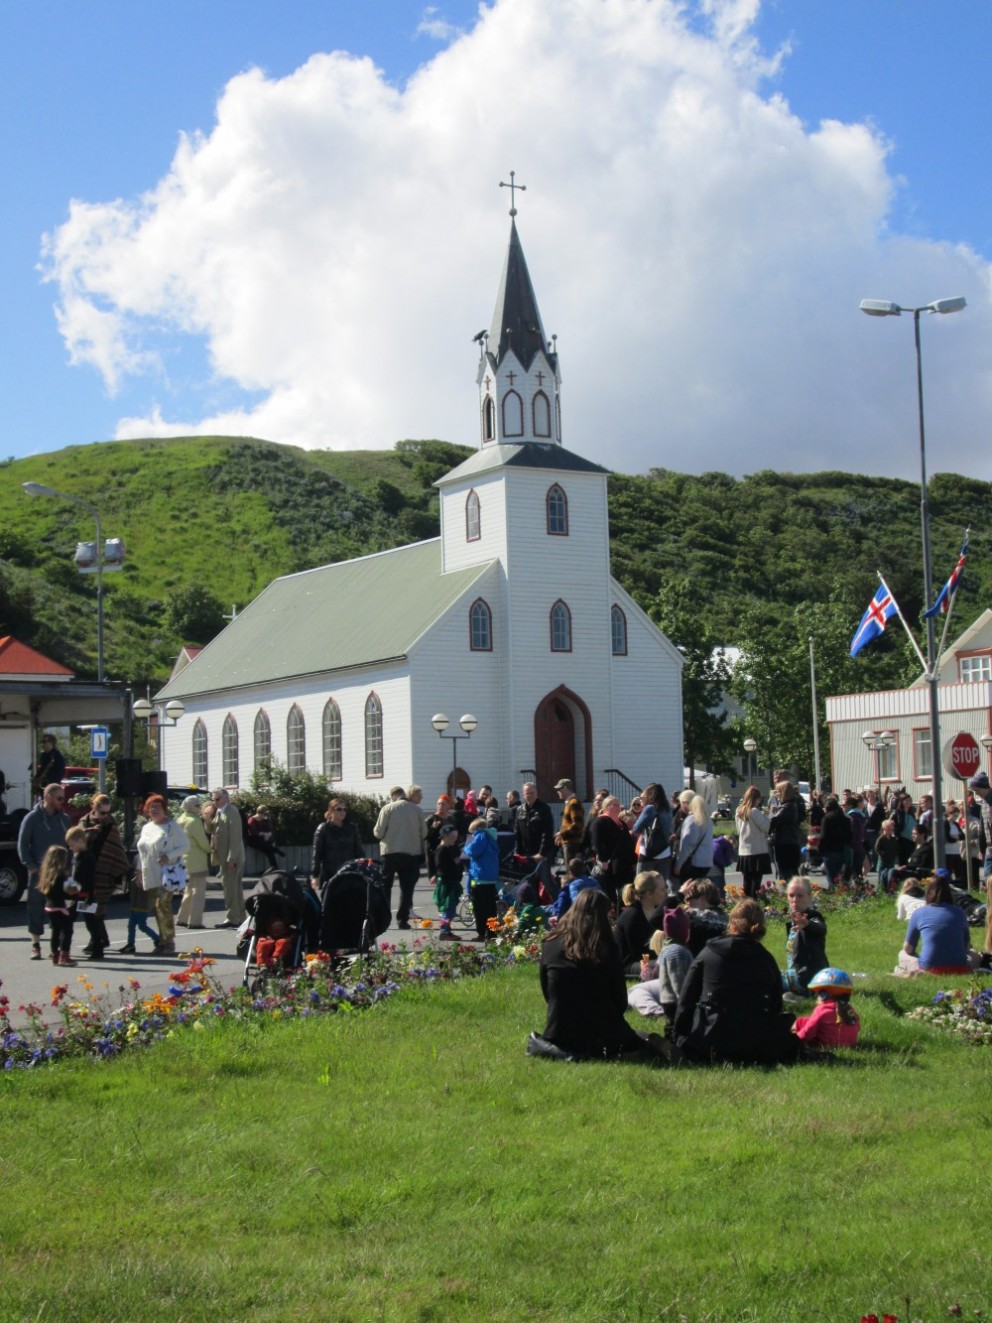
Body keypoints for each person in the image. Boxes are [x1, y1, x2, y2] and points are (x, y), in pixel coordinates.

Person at [531, 888, 666, 1061]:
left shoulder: (550, 944)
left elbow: (547, 992)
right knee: (645, 1043)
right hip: (602, 1033)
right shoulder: (606, 948)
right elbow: (620, 1002)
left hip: (558, 1032)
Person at [673, 899, 800, 1065]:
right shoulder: (766, 959)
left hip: (712, 1037)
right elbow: (776, 1004)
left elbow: (686, 998)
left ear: (731, 923)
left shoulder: (708, 953)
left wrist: (679, 1035)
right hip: (757, 1042)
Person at [17, 782, 70, 960]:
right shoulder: (32, 818)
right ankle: (35, 945)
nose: (63, 801)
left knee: (60, 909)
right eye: (59, 798)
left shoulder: (65, 819)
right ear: (48, 797)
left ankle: (58, 947)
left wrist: (69, 867)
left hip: (60, 873)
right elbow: (22, 844)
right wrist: (31, 866)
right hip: (39, 872)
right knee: (35, 907)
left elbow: (70, 844)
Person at [135, 795, 190, 957]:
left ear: (164, 809)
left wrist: (169, 856)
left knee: (162, 905)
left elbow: (185, 846)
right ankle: (162, 939)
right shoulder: (147, 828)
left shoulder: (172, 827)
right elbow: (141, 851)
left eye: (157, 807)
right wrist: (138, 870)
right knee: (156, 908)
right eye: (151, 807)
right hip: (149, 872)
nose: (154, 810)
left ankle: (168, 940)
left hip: (166, 873)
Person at [76, 793, 130, 957]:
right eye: (102, 812)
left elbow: (116, 850)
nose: (105, 816)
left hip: (103, 873)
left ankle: (97, 942)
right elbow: (75, 841)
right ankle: (99, 939)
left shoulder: (110, 826)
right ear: (94, 807)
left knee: (97, 911)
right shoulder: (83, 822)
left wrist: (118, 871)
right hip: (85, 872)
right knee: (86, 909)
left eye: (107, 812)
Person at [897, 872, 980, 975]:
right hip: (959, 967)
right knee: (975, 955)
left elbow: (908, 948)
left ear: (927, 893)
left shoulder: (918, 913)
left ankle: (909, 970)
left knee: (902, 954)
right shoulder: (960, 913)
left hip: (929, 968)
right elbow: (966, 946)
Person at [627, 905, 694, 1022]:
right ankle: (657, 1014)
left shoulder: (669, 950)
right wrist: (684, 1002)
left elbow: (655, 975)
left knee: (634, 994)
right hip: (670, 998)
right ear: (685, 931)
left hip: (662, 994)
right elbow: (677, 980)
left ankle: (658, 1013)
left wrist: (645, 972)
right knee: (636, 994)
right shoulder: (676, 951)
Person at [373, 786, 427, 930]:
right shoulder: (417, 810)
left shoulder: (387, 808)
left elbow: (378, 832)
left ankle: (384, 918)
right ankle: (402, 920)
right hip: (411, 854)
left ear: (392, 796)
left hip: (390, 853)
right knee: (407, 888)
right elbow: (424, 833)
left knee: (386, 886)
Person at [793, 968, 861, 1050]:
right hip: (850, 1045)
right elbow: (857, 1027)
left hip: (826, 1045)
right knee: (804, 1021)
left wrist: (794, 1041)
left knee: (800, 1022)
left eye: (818, 994)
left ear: (824, 995)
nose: (817, 997)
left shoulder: (821, 1010)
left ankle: (790, 1035)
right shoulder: (849, 1008)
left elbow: (808, 1033)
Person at [782, 877, 828, 996]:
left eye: (800, 896)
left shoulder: (814, 917)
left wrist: (807, 925)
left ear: (809, 897)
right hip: (794, 976)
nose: (795, 900)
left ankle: (800, 996)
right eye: (791, 895)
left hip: (809, 980)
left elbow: (820, 929)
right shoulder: (793, 921)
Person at [614, 871, 665, 976]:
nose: (665, 892)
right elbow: (639, 954)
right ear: (649, 894)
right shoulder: (632, 916)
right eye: (662, 889)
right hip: (630, 965)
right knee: (665, 964)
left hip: (648, 960)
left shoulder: (657, 911)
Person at [211, 788, 247, 929]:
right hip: (224, 856)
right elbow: (212, 831)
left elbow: (236, 837)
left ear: (226, 798)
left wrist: (231, 858)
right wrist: (208, 818)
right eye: (213, 799)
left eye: (217, 799)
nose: (215, 802)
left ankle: (232, 917)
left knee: (230, 887)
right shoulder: (220, 812)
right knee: (234, 887)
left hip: (232, 857)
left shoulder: (231, 812)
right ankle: (240, 916)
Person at [311, 798, 364, 893]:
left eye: (345, 809)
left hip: (349, 873)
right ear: (331, 811)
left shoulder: (352, 828)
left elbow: (359, 852)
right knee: (330, 904)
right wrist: (315, 876)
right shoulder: (323, 829)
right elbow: (317, 854)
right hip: (330, 874)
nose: (342, 812)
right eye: (339, 809)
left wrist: (363, 869)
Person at [589, 795, 635, 903]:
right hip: (611, 863)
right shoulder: (599, 822)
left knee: (626, 888)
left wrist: (633, 859)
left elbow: (628, 841)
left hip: (625, 862)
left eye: (619, 804)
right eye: (615, 804)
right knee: (612, 890)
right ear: (606, 807)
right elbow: (597, 842)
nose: (619, 806)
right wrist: (603, 859)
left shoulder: (621, 823)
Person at [176, 795, 213, 929]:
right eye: (197, 806)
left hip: (184, 859)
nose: (199, 808)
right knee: (198, 892)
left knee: (188, 890)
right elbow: (202, 842)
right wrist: (210, 848)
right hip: (197, 859)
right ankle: (195, 921)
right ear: (191, 807)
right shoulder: (194, 821)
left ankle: (182, 917)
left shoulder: (180, 819)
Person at [37, 844, 76, 966]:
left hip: (49, 906)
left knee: (55, 931)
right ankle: (64, 955)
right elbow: (65, 892)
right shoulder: (61, 876)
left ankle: (55, 955)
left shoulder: (47, 875)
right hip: (60, 907)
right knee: (67, 931)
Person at [64, 824, 100, 958]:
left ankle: (97, 949)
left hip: (84, 895)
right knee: (71, 920)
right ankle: (64, 947)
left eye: (71, 844)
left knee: (90, 922)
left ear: (80, 841)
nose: (70, 848)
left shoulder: (87, 857)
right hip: (78, 895)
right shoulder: (78, 856)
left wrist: (89, 895)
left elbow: (88, 878)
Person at [515, 782, 556, 896]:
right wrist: (518, 853)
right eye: (527, 793)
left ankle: (560, 907)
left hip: (542, 853)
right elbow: (517, 832)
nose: (530, 795)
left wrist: (541, 853)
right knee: (530, 884)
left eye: (532, 793)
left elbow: (547, 833)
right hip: (527, 853)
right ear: (523, 795)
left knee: (547, 882)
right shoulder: (520, 809)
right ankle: (535, 910)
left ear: (536, 793)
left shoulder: (544, 809)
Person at [463, 817, 500, 941]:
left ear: (476, 828)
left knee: (479, 909)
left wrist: (466, 848)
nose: (472, 835)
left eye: (472, 832)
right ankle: (492, 933)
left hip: (480, 878)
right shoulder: (492, 838)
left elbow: (473, 851)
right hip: (491, 879)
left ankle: (481, 933)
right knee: (491, 909)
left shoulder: (481, 836)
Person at [631, 782, 674, 882]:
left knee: (641, 883)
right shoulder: (667, 809)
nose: (642, 799)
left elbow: (636, 828)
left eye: (644, 796)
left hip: (648, 851)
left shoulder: (650, 808)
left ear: (651, 795)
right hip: (664, 851)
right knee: (661, 885)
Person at [735, 786, 770, 899]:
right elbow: (766, 827)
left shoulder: (739, 811)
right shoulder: (754, 811)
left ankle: (746, 903)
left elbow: (738, 830)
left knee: (747, 880)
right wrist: (768, 816)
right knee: (756, 881)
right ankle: (754, 904)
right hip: (757, 850)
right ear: (757, 799)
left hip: (744, 851)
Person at [547, 856, 604, 922]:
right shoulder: (593, 880)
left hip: (583, 919)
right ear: (584, 869)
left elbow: (577, 904)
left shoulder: (573, 885)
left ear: (570, 872)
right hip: (599, 914)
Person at [432, 822, 464, 940]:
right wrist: (454, 863)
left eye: (455, 837)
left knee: (451, 907)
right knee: (448, 908)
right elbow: (440, 865)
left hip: (452, 880)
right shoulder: (442, 849)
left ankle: (447, 930)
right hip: (446, 882)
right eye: (452, 837)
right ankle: (444, 931)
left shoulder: (451, 848)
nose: (454, 839)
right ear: (444, 836)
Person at [680, 877, 728, 956]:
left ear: (702, 899)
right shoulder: (727, 918)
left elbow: (656, 920)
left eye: (688, 898)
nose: (686, 902)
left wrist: (679, 895)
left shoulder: (693, 919)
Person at [768, 780, 803, 879]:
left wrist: (771, 814)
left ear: (784, 792)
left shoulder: (786, 808)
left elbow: (772, 822)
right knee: (790, 873)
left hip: (784, 845)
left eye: (778, 791)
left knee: (784, 875)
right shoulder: (792, 805)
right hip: (791, 843)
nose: (777, 794)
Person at [673, 794, 713, 884]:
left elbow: (687, 845)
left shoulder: (691, 820)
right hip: (707, 862)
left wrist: (678, 866)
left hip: (694, 863)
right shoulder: (708, 820)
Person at [818, 796, 852, 888]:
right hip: (841, 851)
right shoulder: (845, 819)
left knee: (831, 878)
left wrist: (819, 849)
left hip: (829, 851)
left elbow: (823, 836)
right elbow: (849, 836)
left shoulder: (826, 818)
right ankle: (839, 895)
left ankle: (833, 896)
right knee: (837, 877)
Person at [553, 778, 585, 865]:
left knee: (571, 871)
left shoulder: (573, 803)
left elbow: (578, 824)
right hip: (569, 843)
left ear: (566, 789)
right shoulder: (569, 803)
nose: (558, 791)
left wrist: (561, 833)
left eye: (559, 789)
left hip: (572, 844)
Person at [246, 804, 282, 871]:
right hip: (254, 840)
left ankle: (274, 866)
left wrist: (269, 835)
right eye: (264, 814)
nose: (265, 816)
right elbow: (252, 832)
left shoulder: (265, 820)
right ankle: (275, 864)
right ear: (259, 813)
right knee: (269, 848)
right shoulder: (252, 820)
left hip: (264, 840)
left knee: (269, 848)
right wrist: (263, 834)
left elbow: (271, 829)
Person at [32, 734, 66, 798]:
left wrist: (50, 782)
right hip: (43, 785)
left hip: (52, 786)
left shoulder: (57, 756)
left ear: (51, 742)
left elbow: (60, 772)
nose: (42, 744)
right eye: (42, 742)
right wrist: (36, 778)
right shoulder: (43, 755)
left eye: (44, 742)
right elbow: (42, 768)